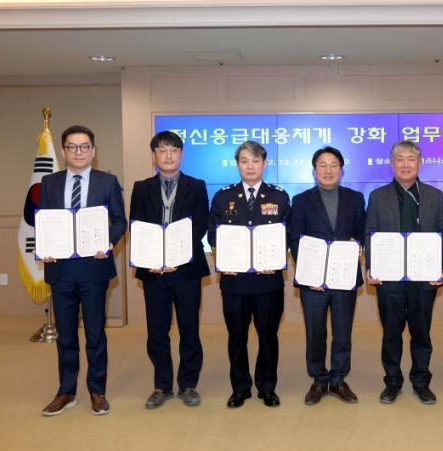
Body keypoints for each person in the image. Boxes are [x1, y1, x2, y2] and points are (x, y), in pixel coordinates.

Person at [39, 125, 127, 416]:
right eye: (73, 147)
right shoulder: (49, 183)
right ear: (63, 151)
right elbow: (44, 222)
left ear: (93, 150)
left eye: (85, 146)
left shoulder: (107, 182)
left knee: (95, 333)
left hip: (94, 268)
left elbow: (119, 221)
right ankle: (66, 391)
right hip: (60, 269)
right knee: (65, 335)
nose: (79, 152)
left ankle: (97, 391)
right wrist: (44, 246)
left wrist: (108, 242)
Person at [365, 140, 443, 405]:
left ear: (419, 163)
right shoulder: (378, 196)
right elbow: (370, 232)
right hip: (388, 278)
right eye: (399, 159)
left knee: (421, 334)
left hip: (424, 277)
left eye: (411, 159)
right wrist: (371, 266)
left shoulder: (434, 195)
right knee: (391, 333)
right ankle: (392, 382)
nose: (405, 164)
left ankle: (421, 382)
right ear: (392, 164)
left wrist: (441, 266)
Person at [129, 131, 210, 409]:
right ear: (154, 155)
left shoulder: (196, 186)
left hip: (186, 269)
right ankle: (162, 386)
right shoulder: (142, 187)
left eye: (173, 150)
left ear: (181, 154)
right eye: (162, 150)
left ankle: (188, 384)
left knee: (189, 328)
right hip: (153, 271)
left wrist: (178, 254)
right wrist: (152, 257)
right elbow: (137, 225)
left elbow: (201, 224)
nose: (168, 155)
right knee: (157, 331)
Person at [207, 141, 290, 408]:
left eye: (255, 161)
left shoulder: (279, 196)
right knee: (237, 337)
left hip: (268, 281)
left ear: (264, 164)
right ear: (237, 164)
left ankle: (267, 387)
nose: (250, 166)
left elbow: (287, 235)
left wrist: (276, 257)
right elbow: (213, 234)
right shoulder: (223, 197)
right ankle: (240, 388)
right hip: (235, 282)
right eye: (244, 161)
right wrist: (223, 257)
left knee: (268, 336)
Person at [289, 146, 366, 405]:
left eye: (334, 165)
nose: (328, 170)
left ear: (341, 170)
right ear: (314, 170)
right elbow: (295, 239)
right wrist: (310, 274)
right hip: (313, 283)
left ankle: (339, 379)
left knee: (343, 332)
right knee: (315, 332)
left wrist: (359, 243)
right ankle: (319, 380)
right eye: (322, 165)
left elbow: (362, 231)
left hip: (344, 277)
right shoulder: (301, 200)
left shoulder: (356, 198)